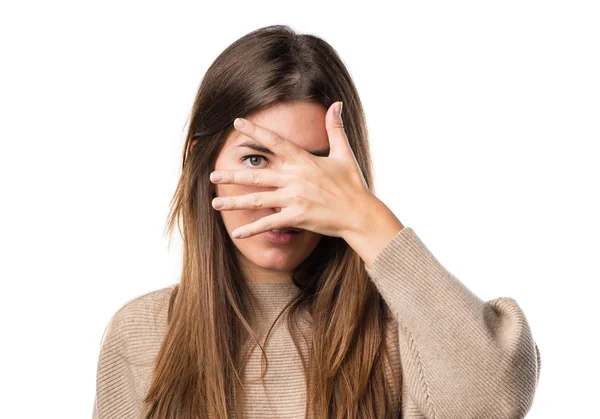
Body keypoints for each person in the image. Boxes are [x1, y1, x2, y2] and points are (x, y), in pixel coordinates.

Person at [92, 25, 541, 419]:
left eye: (314, 168)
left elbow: (494, 401)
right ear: (200, 164)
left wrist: (365, 217)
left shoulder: (403, 331)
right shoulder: (143, 332)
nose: (287, 197)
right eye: (255, 159)